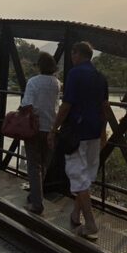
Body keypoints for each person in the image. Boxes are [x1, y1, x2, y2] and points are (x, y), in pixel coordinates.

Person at [49, 42, 112, 240]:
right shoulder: (101, 77)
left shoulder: (75, 74)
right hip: (95, 130)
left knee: (76, 174)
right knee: (86, 175)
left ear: (77, 54)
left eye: (72, 53)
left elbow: (66, 105)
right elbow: (104, 107)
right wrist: (103, 134)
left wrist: (53, 129)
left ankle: (91, 223)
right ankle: (76, 214)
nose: (71, 57)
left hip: (77, 132)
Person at [20, 52, 60, 214]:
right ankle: (34, 195)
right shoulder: (57, 83)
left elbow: (27, 104)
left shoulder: (33, 82)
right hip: (51, 128)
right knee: (43, 164)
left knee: (33, 165)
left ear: (39, 66)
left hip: (34, 128)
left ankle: (37, 203)